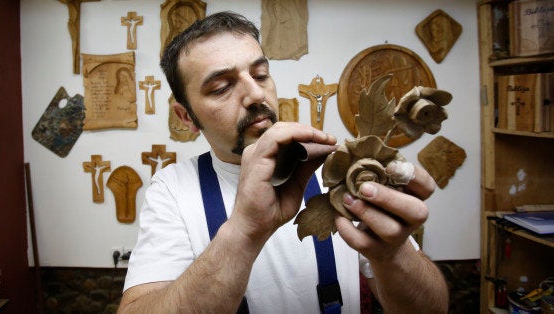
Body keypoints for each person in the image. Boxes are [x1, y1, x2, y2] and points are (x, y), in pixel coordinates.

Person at [118, 11, 448, 313]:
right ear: (186, 117)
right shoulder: (172, 189)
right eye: (221, 87)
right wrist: (244, 232)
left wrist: (391, 255)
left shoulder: (343, 170)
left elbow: (431, 309)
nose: (256, 95)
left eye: (260, 75)